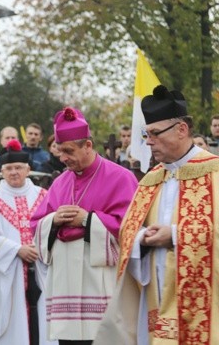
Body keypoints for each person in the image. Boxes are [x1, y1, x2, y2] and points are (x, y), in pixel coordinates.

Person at [94, 85, 219, 344]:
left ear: (181, 130)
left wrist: (174, 236)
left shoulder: (214, 173)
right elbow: (128, 230)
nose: (148, 141)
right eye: (145, 134)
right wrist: (142, 239)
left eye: (153, 133)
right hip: (155, 299)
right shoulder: (151, 179)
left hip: (204, 307)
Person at [31, 107, 138, 345]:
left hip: (99, 282)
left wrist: (87, 220)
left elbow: (130, 227)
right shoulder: (59, 183)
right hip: (65, 283)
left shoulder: (121, 178)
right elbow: (36, 224)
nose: (63, 158)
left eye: (69, 151)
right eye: (60, 152)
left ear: (87, 146)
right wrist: (54, 221)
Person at [0, 139, 57, 345]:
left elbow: (52, 226)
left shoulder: (43, 196)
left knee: (42, 322)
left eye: (18, 168)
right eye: (9, 168)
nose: (14, 172)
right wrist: (16, 250)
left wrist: (39, 248)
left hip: (41, 268)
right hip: (6, 271)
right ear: (1, 171)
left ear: (28, 169)